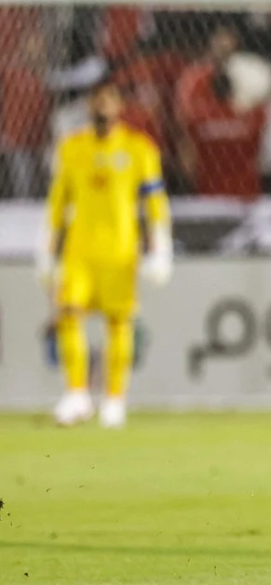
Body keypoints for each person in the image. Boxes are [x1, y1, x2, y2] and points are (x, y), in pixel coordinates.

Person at [39, 76, 173, 428]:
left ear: (119, 105)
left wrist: (160, 249)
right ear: (88, 105)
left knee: (118, 323)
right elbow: (58, 204)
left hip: (120, 251)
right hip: (79, 251)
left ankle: (114, 400)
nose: (102, 106)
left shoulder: (139, 148)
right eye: (96, 99)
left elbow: (154, 202)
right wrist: (47, 252)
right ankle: (77, 395)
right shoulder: (70, 147)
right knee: (68, 315)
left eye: (108, 99)